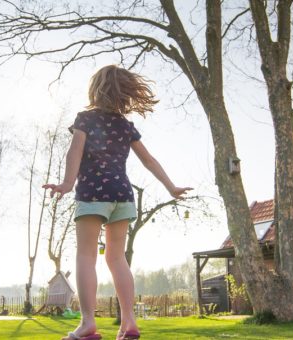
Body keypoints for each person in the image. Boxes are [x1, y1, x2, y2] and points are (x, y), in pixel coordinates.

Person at [43, 65, 191, 340]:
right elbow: (149, 160)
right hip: (122, 194)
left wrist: (66, 184)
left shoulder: (85, 119)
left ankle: (88, 323)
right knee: (117, 257)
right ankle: (129, 323)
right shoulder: (126, 125)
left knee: (86, 255)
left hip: (93, 194)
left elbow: (73, 153)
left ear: (96, 89)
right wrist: (171, 186)